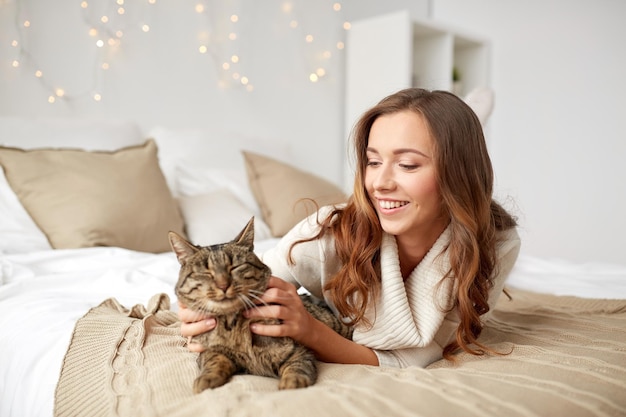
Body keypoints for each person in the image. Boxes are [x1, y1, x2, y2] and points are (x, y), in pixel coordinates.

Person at [178, 87, 521, 368]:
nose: (380, 183)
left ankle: (469, 116)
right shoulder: (325, 234)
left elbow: (418, 354)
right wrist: (195, 310)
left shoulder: (496, 240)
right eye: (372, 162)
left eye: (407, 164)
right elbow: (253, 279)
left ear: (457, 173)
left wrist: (311, 331)